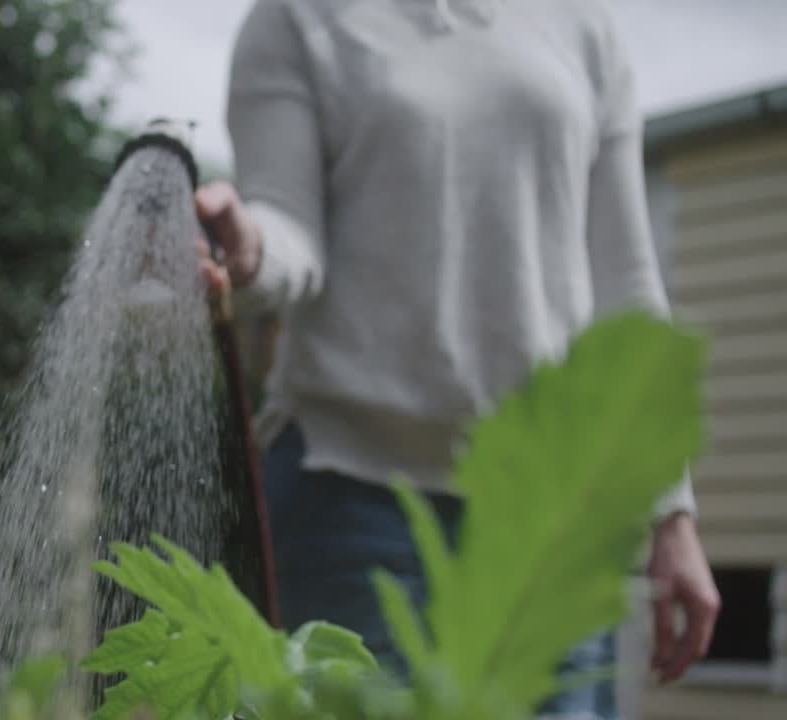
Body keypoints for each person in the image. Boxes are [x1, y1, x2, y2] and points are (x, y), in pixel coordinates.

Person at [194, 1, 721, 717]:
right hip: (348, 499)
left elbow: (626, 280)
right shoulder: (297, 18)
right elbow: (289, 227)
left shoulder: (581, 24)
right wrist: (247, 248)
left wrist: (672, 512)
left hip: (549, 520)